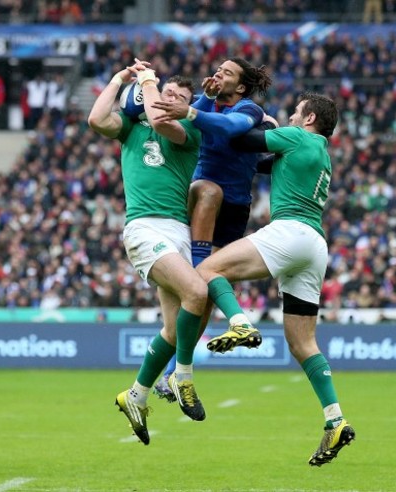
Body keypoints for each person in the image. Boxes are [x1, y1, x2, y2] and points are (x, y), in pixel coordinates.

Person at [196, 92, 355, 466]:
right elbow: (262, 162)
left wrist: (258, 119)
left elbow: (244, 140)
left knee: (207, 268)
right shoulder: (319, 152)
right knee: (302, 343)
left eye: (296, 112)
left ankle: (239, 323)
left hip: (290, 231)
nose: (290, 116)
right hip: (315, 245)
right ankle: (335, 418)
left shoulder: (298, 136)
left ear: (310, 117)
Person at [88, 61, 208, 445]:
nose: (169, 98)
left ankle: (136, 395)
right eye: (167, 92)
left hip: (178, 232)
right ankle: (183, 377)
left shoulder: (188, 129)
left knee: (173, 331)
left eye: (180, 97)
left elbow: (160, 120)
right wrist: (119, 79)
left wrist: (150, 81)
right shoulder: (131, 129)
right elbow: (95, 119)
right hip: (144, 227)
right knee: (198, 293)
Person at [150, 58, 273, 398]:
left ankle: (175, 373)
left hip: (235, 210)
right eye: (218, 69)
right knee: (209, 191)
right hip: (199, 193)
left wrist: (193, 111)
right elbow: (193, 127)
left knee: (202, 299)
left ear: (242, 87)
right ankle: (196, 266)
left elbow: (228, 129)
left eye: (227, 72)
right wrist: (199, 102)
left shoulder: (250, 110)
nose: (219, 74)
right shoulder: (205, 103)